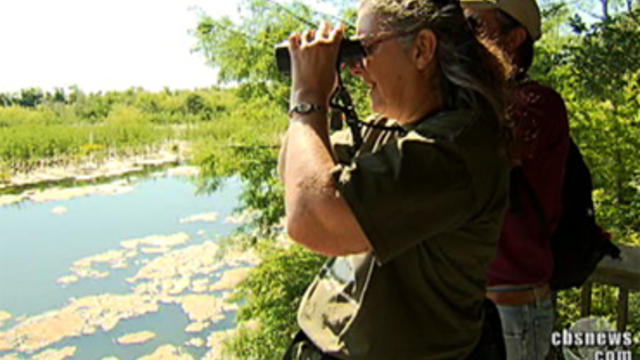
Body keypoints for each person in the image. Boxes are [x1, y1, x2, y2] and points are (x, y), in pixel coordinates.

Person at [278, 0, 512, 359]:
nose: (357, 67)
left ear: (421, 49)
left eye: (365, 49)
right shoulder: (400, 128)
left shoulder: (453, 149)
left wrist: (307, 98)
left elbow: (311, 216)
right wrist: (319, 97)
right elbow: (295, 173)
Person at [460, 1, 571, 359]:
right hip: (471, 307)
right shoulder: (476, 103)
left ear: (514, 37)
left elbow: (469, 156)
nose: (463, 36)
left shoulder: (536, 104)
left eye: (475, 25)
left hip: (511, 312)